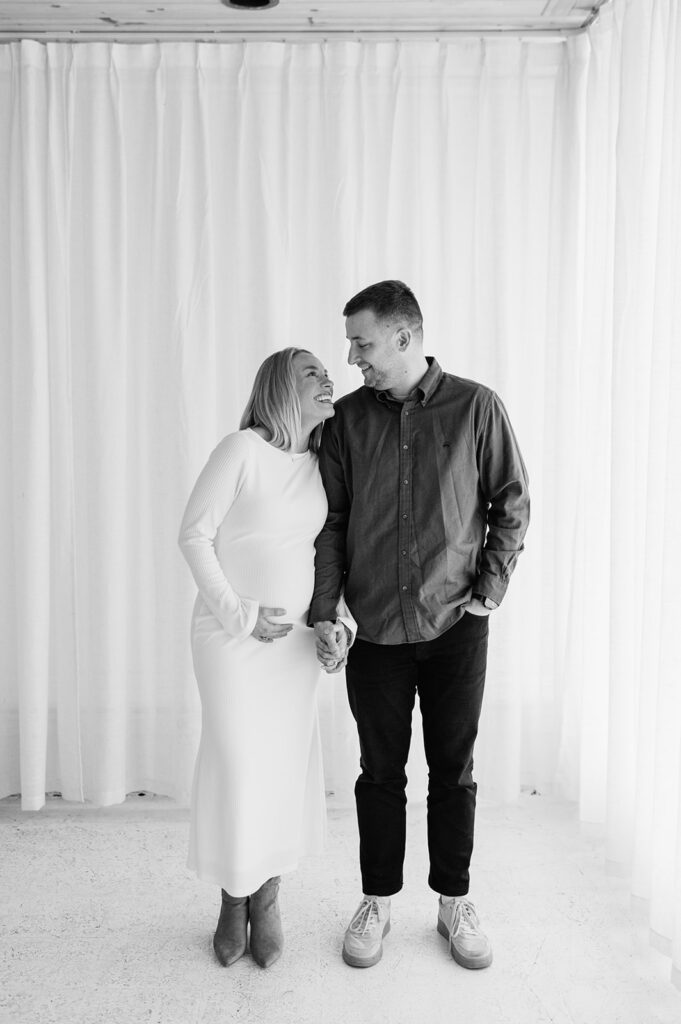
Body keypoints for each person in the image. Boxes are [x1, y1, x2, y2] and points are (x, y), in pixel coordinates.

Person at [310, 281, 530, 970]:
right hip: (374, 630)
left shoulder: (475, 408)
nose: (352, 357)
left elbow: (511, 501)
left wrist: (487, 592)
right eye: (351, 343)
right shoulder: (344, 422)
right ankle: (376, 898)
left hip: (454, 627)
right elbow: (332, 524)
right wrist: (327, 611)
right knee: (378, 774)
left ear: (404, 337)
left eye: (362, 342)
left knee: (452, 772)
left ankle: (452, 901)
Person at [178, 347, 352, 969]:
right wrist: (241, 614)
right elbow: (193, 534)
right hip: (230, 641)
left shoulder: (323, 464)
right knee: (237, 764)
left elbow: (328, 555)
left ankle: (270, 895)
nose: (328, 378)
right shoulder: (241, 449)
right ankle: (233, 898)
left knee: (282, 768)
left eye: (328, 372)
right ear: (280, 386)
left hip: (296, 649)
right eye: (313, 372)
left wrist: (340, 626)